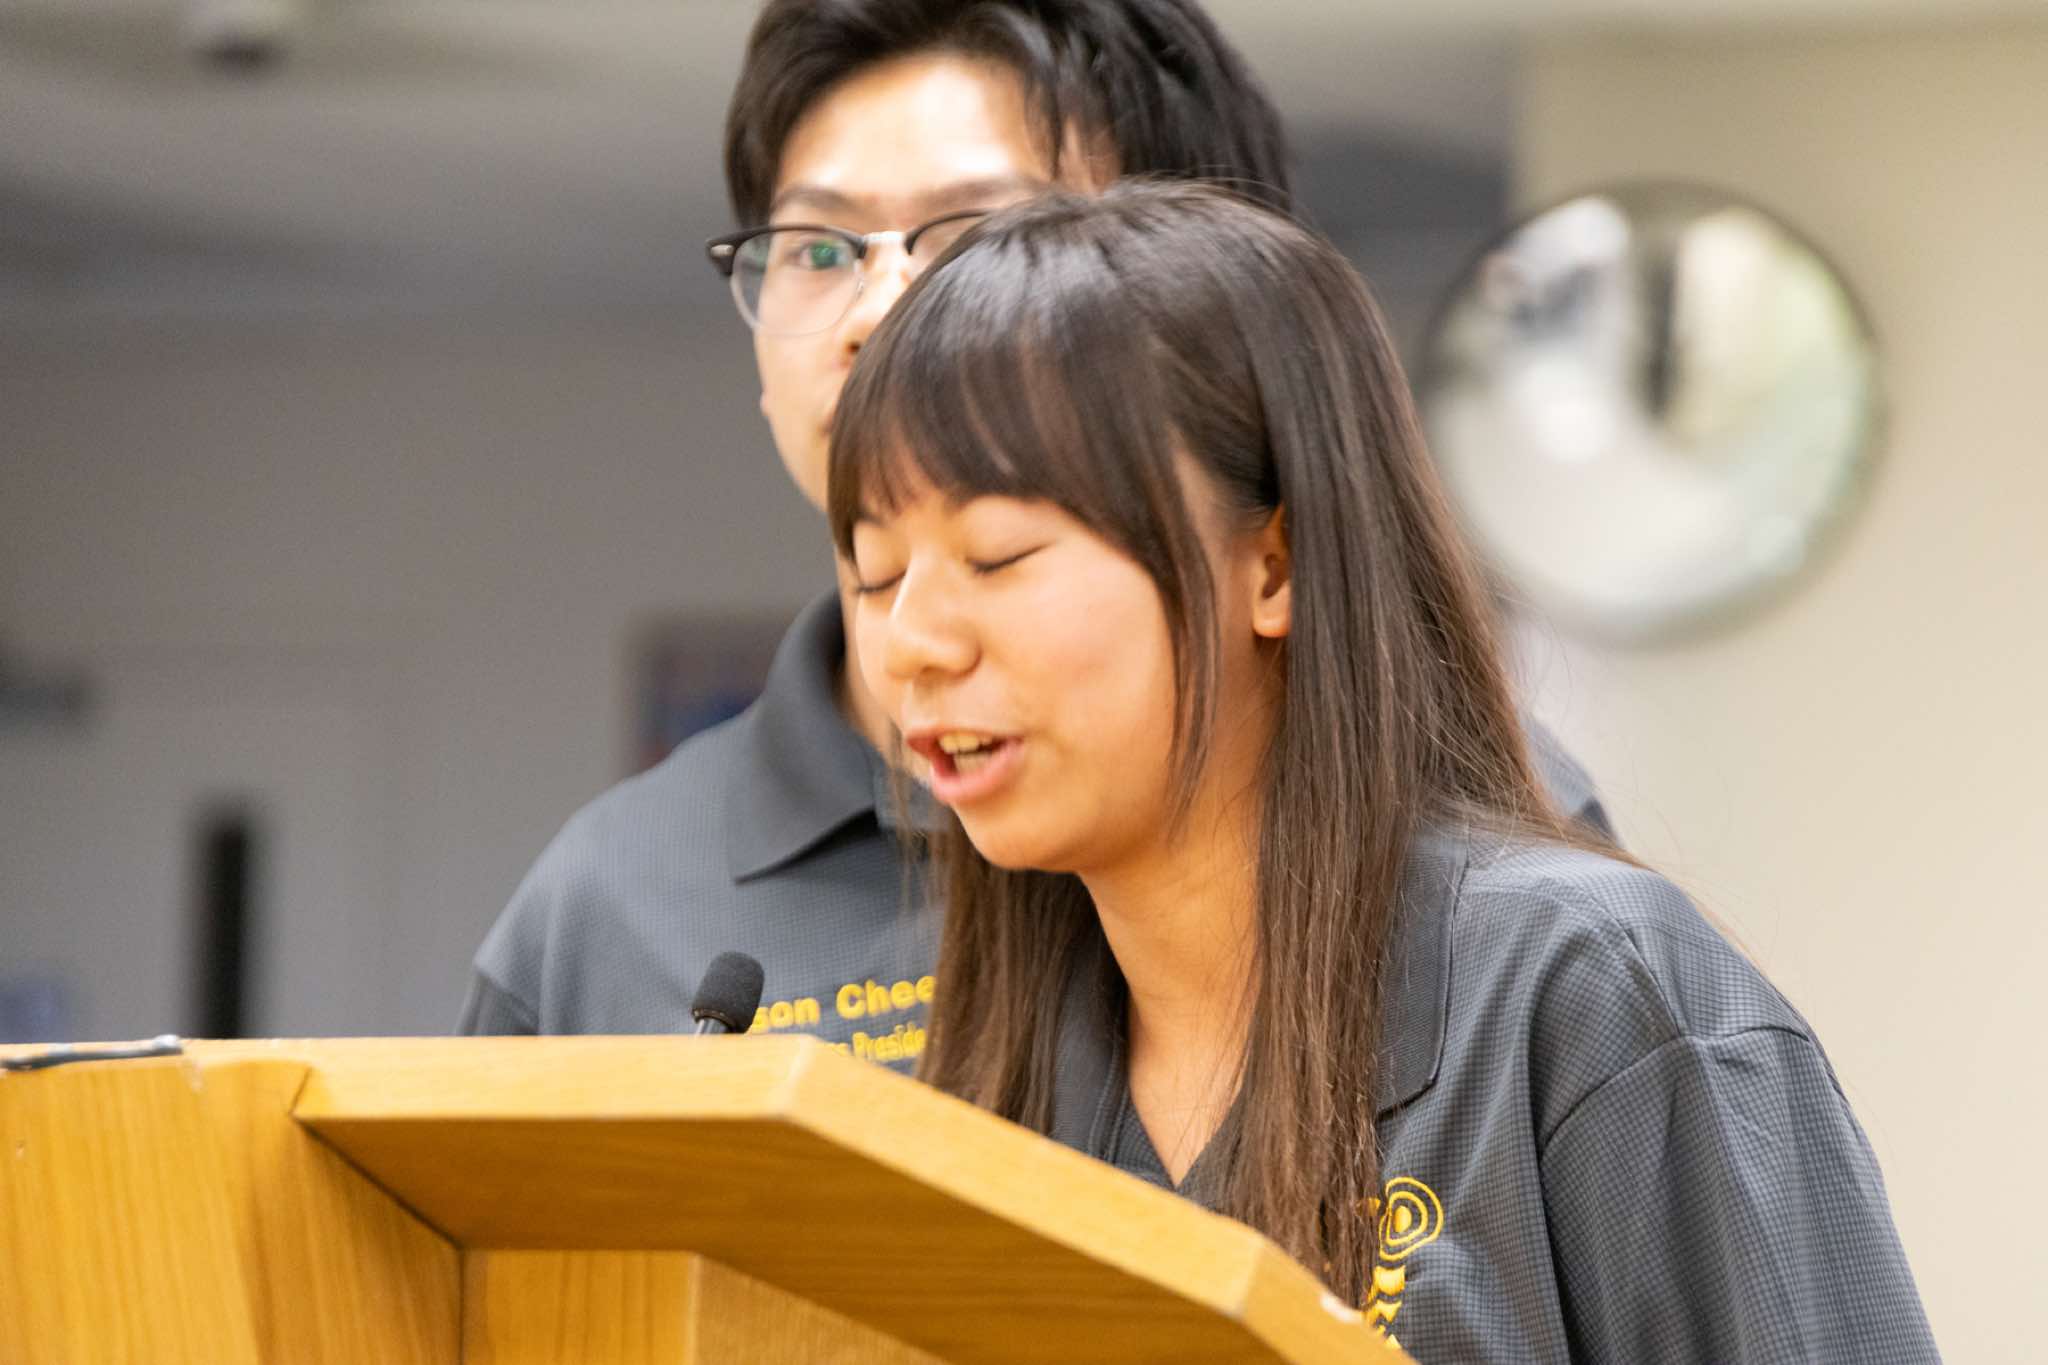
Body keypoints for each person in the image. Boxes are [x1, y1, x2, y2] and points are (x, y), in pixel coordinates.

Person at [828, 182, 1938, 1362]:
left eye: (997, 555)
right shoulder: (984, 1078)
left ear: (1273, 566)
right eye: (875, 574)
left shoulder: (1583, 989)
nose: (912, 644)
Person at [457, 0, 1607, 1058]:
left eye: (976, 239)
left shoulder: (1474, 850)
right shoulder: (610, 901)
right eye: (817, 249)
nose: (879, 314)